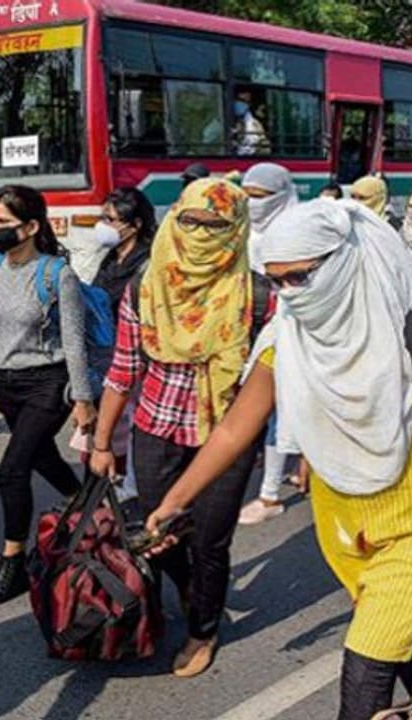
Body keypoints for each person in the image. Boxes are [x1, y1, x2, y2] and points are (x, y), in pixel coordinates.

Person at [142, 198, 412, 720]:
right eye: (277, 283)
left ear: (343, 260)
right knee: (404, 649)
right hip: (346, 528)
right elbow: (233, 430)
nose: (289, 295)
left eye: (300, 277)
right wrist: (174, 502)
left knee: (365, 668)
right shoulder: (286, 339)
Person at [89, 178, 265, 678]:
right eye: (191, 221)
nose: (202, 234)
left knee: (211, 542)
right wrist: (102, 443)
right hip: (156, 428)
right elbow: (123, 370)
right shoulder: (146, 288)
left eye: (217, 225)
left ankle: (202, 629)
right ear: (174, 220)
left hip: (226, 438)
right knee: (157, 534)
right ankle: (187, 585)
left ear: (237, 231)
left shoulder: (257, 295)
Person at [0, 185, 96, 606]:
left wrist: (83, 399)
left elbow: (75, 341)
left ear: (30, 226)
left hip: (49, 384)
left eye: (2, 223)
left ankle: (13, 562)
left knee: (12, 469)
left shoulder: (56, 274)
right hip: (7, 384)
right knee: (41, 455)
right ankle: (81, 502)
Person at [82, 187, 157, 502]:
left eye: (111, 219)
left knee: (131, 427)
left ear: (135, 224)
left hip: (134, 355)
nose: (103, 225)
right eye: (102, 217)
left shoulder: (147, 263)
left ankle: (132, 488)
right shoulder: (109, 258)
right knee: (107, 426)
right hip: (105, 353)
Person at [238, 163, 300, 526]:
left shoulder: (296, 230)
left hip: (286, 327)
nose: (252, 204)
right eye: (247, 196)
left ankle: (270, 494)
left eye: (260, 197)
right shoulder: (244, 230)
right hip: (247, 326)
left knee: (279, 409)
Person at [232, 90, 270, 156]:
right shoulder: (222, 119)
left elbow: (264, 144)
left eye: (245, 102)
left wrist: (262, 146)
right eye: (239, 100)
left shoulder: (255, 123)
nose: (241, 104)